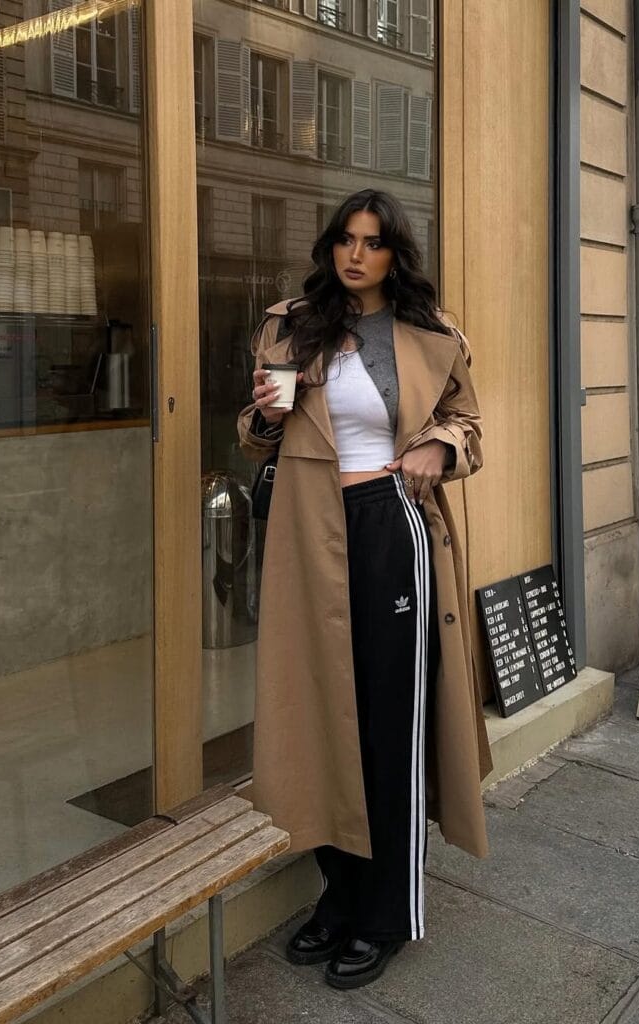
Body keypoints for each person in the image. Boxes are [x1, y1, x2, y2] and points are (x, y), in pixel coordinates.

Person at [237, 188, 491, 989]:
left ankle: (384, 913)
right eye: (345, 239)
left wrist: (438, 450)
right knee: (316, 715)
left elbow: (469, 424)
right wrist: (265, 415)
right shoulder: (289, 322)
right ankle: (337, 898)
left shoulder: (429, 331)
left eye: (373, 242)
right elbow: (252, 436)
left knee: (389, 718)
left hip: (389, 524)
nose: (356, 255)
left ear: (394, 253)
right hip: (305, 531)